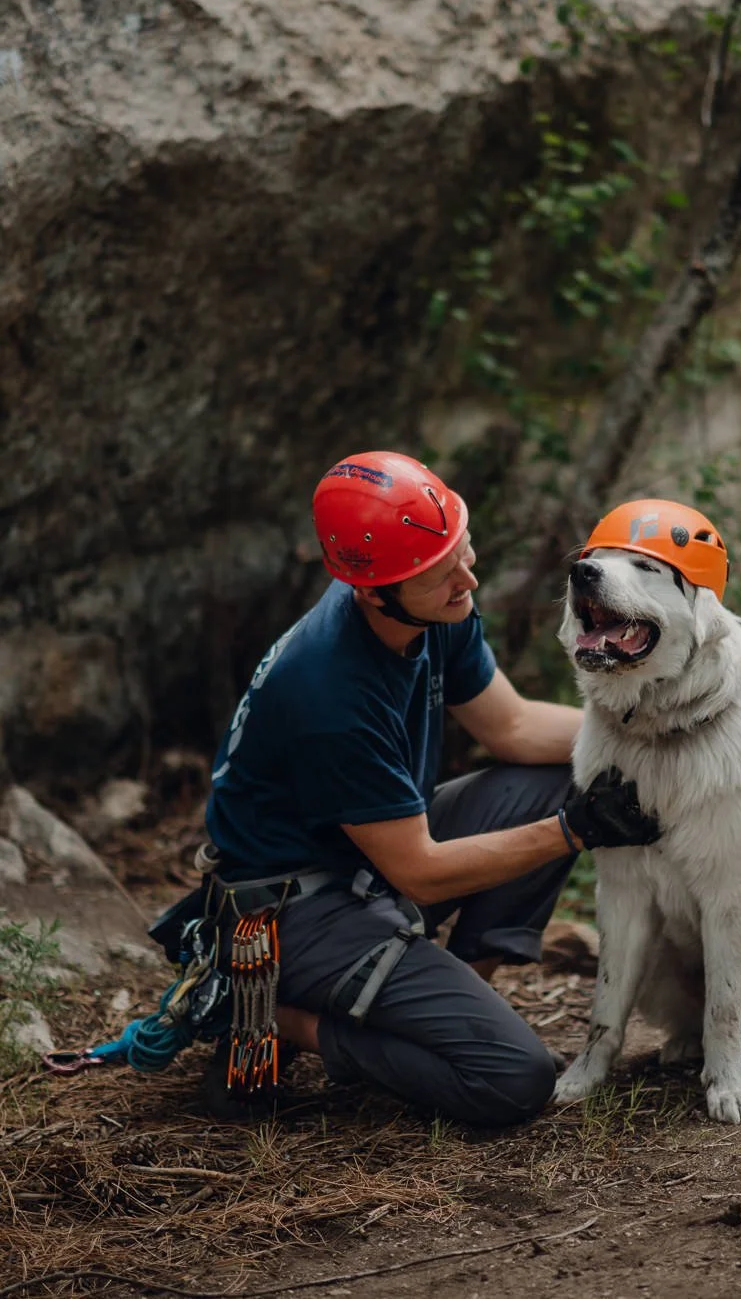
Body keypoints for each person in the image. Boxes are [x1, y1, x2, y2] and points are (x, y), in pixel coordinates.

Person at [202, 451, 660, 1127]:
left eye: (462, 556)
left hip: (368, 858)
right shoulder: (327, 694)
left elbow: (511, 726)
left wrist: (650, 732)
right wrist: (575, 829)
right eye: (442, 575)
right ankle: (276, 1015)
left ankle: (456, 1000)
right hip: (290, 910)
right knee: (512, 1078)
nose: (466, 581)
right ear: (371, 590)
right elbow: (419, 872)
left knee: (558, 772)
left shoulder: (427, 605)